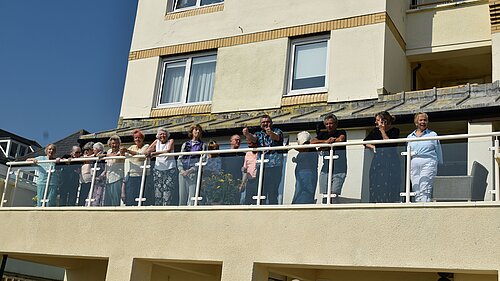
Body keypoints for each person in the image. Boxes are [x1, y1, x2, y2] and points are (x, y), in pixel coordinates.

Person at [242, 114, 284, 205]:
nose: (265, 124)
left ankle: (273, 211)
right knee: (261, 191)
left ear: (271, 123)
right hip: (262, 167)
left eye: (267, 122)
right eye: (263, 122)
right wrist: (247, 134)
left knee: (272, 192)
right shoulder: (259, 133)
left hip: (274, 166)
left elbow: (276, 137)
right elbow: (253, 139)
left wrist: (270, 133)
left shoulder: (277, 131)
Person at [364, 111, 401, 203]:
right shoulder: (374, 131)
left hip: (390, 162)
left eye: (378, 120)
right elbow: (365, 142)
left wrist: (382, 130)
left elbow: (388, 142)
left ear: (384, 121)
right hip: (378, 161)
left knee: (388, 184)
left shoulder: (394, 131)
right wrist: (374, 147)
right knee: (376, 184)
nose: (376, 123)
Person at [311, 114, 347, 203]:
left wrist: (325, 146)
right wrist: (326, 142)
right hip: (326, 168)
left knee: (334, 193)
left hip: (339, 168)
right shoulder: (323, 134)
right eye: (326, 124)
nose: (329, 126)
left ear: (336, 124)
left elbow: (341, 139)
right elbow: (312, 142)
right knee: (325, 193)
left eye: (331, 123)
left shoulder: (341, 132)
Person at [408, 112, 443, 202]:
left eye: (425, 120)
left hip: (428, 161)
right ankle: (418, 207)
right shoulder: (410, 137)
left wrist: (440, 163)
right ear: (416, 122)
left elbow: (438, 150)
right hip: (414, 162)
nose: (423, 122)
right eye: (421, 120)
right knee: (415, 187)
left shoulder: (433, 135)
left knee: (425, 186)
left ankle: (425, 207)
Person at [145, 128, 178, 206]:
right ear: (158, 136)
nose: (163, 135)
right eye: (161, 134)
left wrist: (154, 153)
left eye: (164, 134)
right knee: (158, 191)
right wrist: (149, 152)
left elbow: (168, 150)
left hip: (169, 169)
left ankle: (166, 209)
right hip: (158, 170)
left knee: (167, 191)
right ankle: (158, 209)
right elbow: (147, 151)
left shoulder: (171, 141)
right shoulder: (157, 142)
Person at [178, 124, 207, 206]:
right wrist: (181, 170)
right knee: (182, 196)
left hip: (194, 173)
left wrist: (191, 170)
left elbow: (203, 160)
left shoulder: (203, 145)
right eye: (196, 129)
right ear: (192, 131)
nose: (197, 131)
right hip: (183, 173)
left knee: (192, 196)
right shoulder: (185, 144)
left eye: (199, 130)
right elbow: (180, 158)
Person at [122, 129, 150, 206]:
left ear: (142, 138)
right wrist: (122, 151)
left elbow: (141, 155)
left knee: (142, 197)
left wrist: (128, 151)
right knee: (131, 197)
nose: (137, 139)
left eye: (139, 137)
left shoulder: (146, 146)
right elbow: (125, 155)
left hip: (143, 175)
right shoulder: (132, 147)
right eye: (135, 138)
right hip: (132, 175)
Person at [292, 131, 318, 204]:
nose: (297, 141)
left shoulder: (308, 147)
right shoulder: (307, 149)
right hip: (304, 174)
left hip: (306, 174)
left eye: (297, 139)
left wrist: (291, 147)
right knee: (300, 191)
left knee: (304, 193)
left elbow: (304, 150)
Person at [221, 134, 245, 203]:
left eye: (239, 140)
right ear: (231, 141)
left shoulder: (242, 155)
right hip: (225, 183)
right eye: (236, 140)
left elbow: (245, 170)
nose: (238, 141)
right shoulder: (224, 154)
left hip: (237, 183)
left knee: (236, 201)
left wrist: (243, 184)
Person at [104, 135, 125, 206]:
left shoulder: (121, 151)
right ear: (110, 144)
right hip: (108, 179)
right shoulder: (109, 151)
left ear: (119, 144)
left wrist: (107, 156)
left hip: (117, 178)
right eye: (113, 143)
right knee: (107, 202)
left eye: (116, 143)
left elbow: (119, 158)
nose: (114, 145)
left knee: (115, 201)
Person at [241, 139, 258, 204]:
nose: (249, 145)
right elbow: (245, 169)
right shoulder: (248, 154)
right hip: (250, 181)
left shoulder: (261, 153)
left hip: (259, 181)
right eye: (248, 144)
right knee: (247, 201)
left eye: (251, 143)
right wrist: (243, 184)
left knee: (257, 202)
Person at [90, 142, 106, 206]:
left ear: (97, 149)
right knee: (93, 194)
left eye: (94, 149)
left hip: (101, 179)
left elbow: (105, 168)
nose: (93, 151)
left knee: (99, 194)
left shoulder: (104, 155)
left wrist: (100, 176)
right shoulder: (94, 157)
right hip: (95, 179)